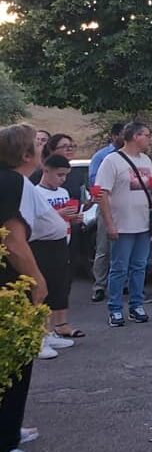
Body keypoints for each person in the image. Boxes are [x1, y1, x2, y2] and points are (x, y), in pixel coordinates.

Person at [0, 162, 47, 452]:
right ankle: (7, 439)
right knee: (14, 361)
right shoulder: (11, 182)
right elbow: (13, 240)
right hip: (10, 288)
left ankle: (10, 430)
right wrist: (37, 280)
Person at [96, 122, 152, 327]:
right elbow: (101, 193)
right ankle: (115, 308)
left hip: (143, 222)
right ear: (134, 136)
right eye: (146, 135)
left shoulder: (146, 160)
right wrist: (109, 224)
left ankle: (136, 305)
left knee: (139, 266)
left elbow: (150, 186)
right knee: (119, 268)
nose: (149, 139)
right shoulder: (111, 161)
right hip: (121, 224)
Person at [32, 154, 84, 355]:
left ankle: (50, 332)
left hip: (63, 242)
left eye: (65, 175)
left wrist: (74, 218)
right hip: (41, 245)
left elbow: (65, 218)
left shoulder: (62, 192)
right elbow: (34, 221)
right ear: (46, 170)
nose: (62, 179)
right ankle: (38, 338)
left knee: (57, 289)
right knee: (41, 291)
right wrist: (59, 215)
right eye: (59, 174)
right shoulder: (36, 193)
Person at [88, 123, 125, 303]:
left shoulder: (131, 156)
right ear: (113, 136)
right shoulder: (101, 157)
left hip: (125, 209)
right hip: (107, 208)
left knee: (123, 248)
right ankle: (99, 286)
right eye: (123, 135)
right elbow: (95, 186)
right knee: (103, 249)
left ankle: (121, 284)